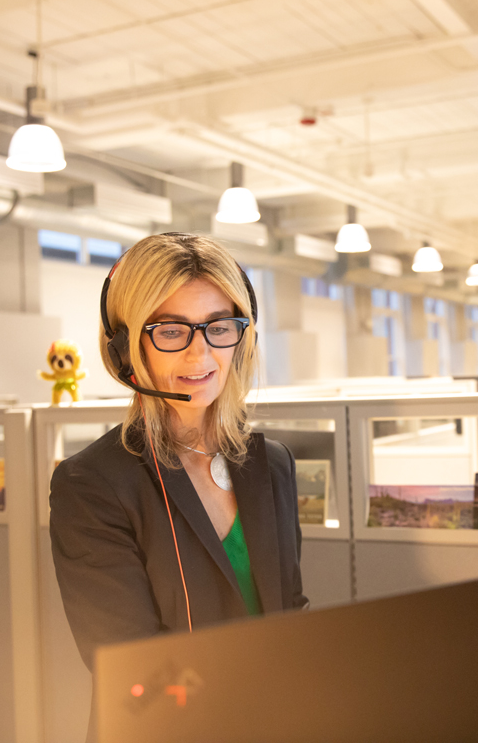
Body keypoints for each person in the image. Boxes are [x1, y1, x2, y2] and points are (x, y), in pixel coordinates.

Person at [49, 232, 310, 672]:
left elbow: (291, 613)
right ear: (125, 349)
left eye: (219, 327)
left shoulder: (273, 465)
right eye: (171, 331)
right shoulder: (92, 485)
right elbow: (129, 665)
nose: (200, 354)